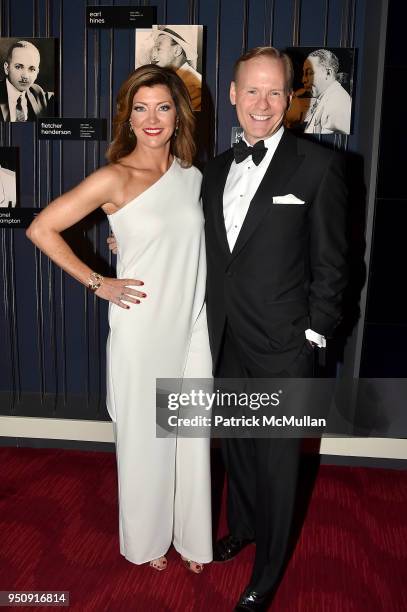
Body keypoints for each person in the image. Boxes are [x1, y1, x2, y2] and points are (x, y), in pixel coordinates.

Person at [26, 65, 212, 573]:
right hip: (142, 326)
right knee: (145, 441)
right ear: (128, 118)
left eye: (163, 107)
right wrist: (98, 282)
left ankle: (194, 540)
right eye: (141, 108)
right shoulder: (115, 176)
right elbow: (41, 228)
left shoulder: (192, 176)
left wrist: (126, 240)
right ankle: (149, 543)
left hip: (192, 324)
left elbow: (183, 238)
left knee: (191, 436)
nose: (152, 119)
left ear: (179, 116)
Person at [202, 47, 348, 610]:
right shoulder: (216, 168)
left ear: (290, 99)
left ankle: (267, 574)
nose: (262, 104)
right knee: (237, 448)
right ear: (233, 94)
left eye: (274, 92)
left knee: (279, 461)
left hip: (286, 343)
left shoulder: (318, 167)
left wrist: (315, 332)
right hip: (226, 340)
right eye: (251, 91)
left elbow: (335, 262)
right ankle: (243, 528)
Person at [289, 48, 352, 134]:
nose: (303, 80)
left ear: (328, 73)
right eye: (304, 74)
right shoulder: (327, 98)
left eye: (310, 73)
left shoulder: (337, 103)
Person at [0, 40, 54, 122]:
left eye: (32, 69)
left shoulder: (37, 92)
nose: (25, 76)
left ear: (37, 73)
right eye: (18, 67)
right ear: (6, 68)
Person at [150, 26, 202, 111]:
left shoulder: (195, 87)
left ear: (177, 50)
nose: (154, 57)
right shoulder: (169, 79)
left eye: (158, 49)